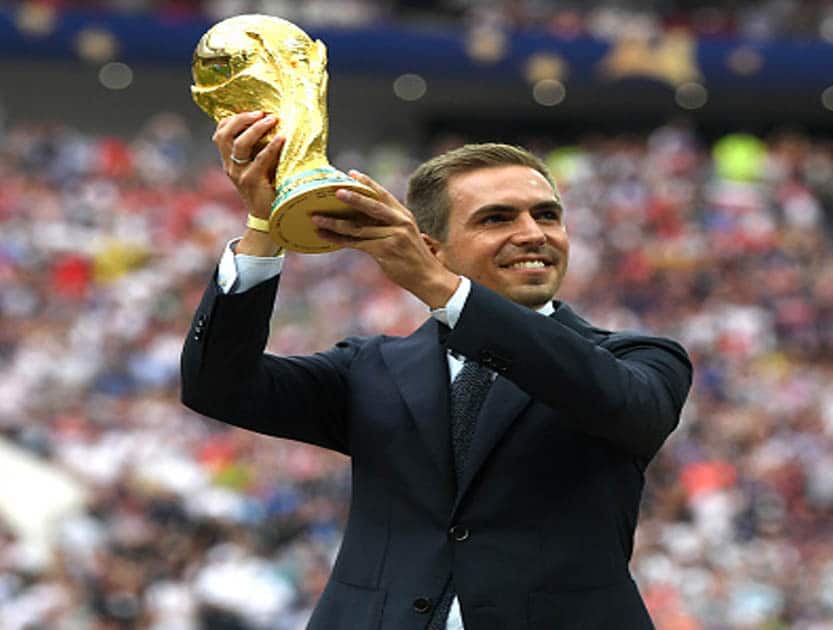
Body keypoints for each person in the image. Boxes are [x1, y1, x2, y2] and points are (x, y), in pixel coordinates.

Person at [179, 111, 693, 629]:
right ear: (431, 247)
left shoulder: (639, 359)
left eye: (547, 215)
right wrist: (266, 229)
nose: (532, 234)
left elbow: (617, 403)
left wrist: (439, 288)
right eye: (497, 218)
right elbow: (219, 387)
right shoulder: (372, 368)